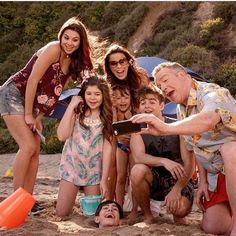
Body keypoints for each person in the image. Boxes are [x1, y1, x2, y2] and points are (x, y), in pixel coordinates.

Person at [0, 16, 93, 213]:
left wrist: (38, 116)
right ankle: (16, 199)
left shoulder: (73, 61)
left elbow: (54, 90)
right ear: (61, 36)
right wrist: (28, 114)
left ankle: (28, 200)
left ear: (80, 42)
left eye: (74, 40)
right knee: (27, 146)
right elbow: (33, 80)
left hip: (31, 105)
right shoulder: (54, 48)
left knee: (35, 150)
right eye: (66, 37)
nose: (69, 43)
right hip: (14, 93)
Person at [131, 62, 236, 235]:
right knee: (213, 227)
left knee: (230, 149)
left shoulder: (213, 93)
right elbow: (198, 147)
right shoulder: (182, 109)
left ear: (181, 75)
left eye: (165, 80)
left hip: (232, 164)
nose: (163, 88)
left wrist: (165, 129)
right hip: (216, 175)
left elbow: (207, 119)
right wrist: (202, 181)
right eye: (159, 85)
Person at [130, 84, 195, 224]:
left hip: (179, 178)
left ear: (161, 106)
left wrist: (177, 189)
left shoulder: (178, 126)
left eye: (152, 102)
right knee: (137, 170)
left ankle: (179, 218)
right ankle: (148, 216)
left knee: (179, 210)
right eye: (143, 103)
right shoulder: (137, 130)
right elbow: (138, 157)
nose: (147, 106)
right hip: (154, 178)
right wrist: (164, 161)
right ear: (138, 108)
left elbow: (190, 164)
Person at [56, 76, 113, 217]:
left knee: (93, 216)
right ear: (83, 95)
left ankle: (84, 205)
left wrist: (104, 179)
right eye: (89, 93)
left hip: (93, 171)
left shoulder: (107, 117)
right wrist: (71, 106)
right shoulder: (77, 113)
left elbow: (107, 150)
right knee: (61, 213)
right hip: (72, 167)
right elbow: (61, 136)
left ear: (103, 95)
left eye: (97, 94)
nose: (93, 98)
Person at [103, 43, 150, 200]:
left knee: (136, 168)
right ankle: (110, 203)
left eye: (122, 61)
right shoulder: (107, 85)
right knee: (114, 169)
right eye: (113, 63)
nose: (119, 66)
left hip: (139, 130)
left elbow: (149, 101)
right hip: (116, 131)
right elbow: (109, 116)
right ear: (109, 67)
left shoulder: (141, 77)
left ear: (129, 61)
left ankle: (139, 206)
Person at [110, 84, 135, 209]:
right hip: (121, 147)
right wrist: (114, 116)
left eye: (126, 97)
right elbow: (112, 133)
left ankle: (134, 207)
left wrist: (130, 115)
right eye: (118, 98)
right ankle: (118, 206)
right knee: (121, 177)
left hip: (134, 148)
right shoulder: (114, 114)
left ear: (131, 98)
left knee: (133, 177)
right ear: (114, 100)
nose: (122, 101)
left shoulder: (134, 112)